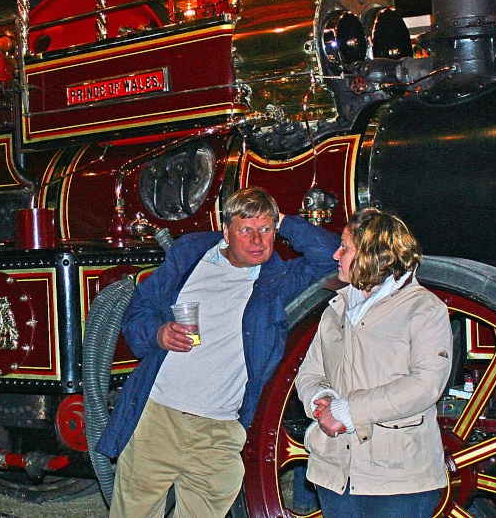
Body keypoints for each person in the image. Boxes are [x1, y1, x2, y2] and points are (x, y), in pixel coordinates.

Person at [95, 187, 340, 518]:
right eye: (246, 229)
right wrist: (158, 333)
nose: (257, 240)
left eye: (265, 230)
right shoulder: (189, 258)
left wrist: (281, 219)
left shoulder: (277, 280)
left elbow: (331, 255)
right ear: (226, 232)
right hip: (158, 418)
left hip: (219, 430)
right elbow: (139, 308)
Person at [296, 208, 452, 518]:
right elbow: (310, 372)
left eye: (346, 247)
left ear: (373, 254)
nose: (336, 255)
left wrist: (348, 411)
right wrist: (320, 398)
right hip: (337, 473)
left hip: (398, 479)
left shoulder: (424, 310)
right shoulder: (336, 309)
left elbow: (424, 385)